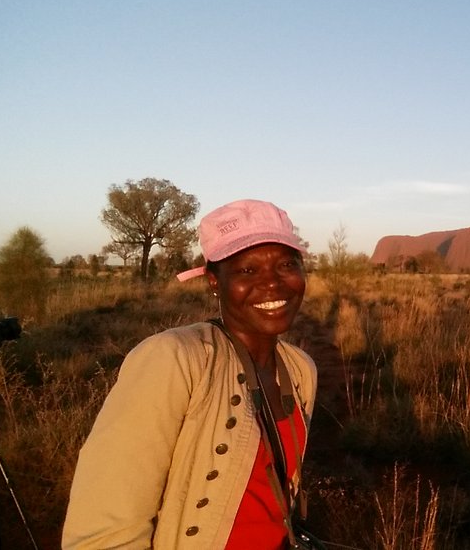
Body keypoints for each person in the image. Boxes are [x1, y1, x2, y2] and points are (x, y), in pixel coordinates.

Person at [63, 199, 318, 549]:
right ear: (214, 282)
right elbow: (104, 533)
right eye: (247, 270)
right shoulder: (174, 360)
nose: (273, 283)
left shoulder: (300, 369)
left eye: (287, 264)